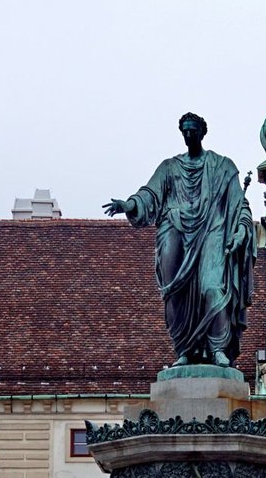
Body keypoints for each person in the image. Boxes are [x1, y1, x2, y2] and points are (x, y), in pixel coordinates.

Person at [104, 113, 256, 367]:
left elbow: (239, 204)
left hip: (212, 231)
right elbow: (149, 194)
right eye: (184, 130)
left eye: (193, 130)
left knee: (212, 288)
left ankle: (218, 347)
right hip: (174, 229)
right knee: (174, 293)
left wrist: (241, 229)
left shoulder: (223, 167)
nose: (188, 135)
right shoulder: (169, 168)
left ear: (202, 132)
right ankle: (184, 349)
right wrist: (128, 204)